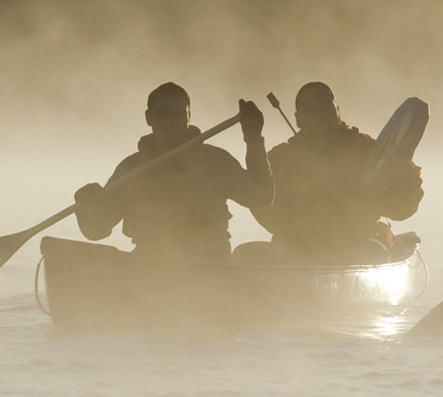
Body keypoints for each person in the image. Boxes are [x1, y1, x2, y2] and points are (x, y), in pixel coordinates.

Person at [73, 82, 272, 262]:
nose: (172, 121)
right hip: (148, 263)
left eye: (179, 113)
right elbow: (97, 230)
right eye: (164, 114)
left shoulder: (214, 161)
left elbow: (261, 196)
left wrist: (253, 138)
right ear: (148, 118)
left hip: (208, 262)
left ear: (189, 116)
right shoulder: (132, 168)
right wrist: (87, 205)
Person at [247, 82, 423, 263]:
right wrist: (252, 139)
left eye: (325, 108)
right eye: (311, 110)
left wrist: (392, 184)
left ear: (337, 110)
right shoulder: (281, 158)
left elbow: (405, 203)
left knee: (368, 252)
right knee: (245, 252)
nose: (319, 116)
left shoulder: (365, 149)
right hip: (296, 249)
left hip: (357, 244)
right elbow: (257, 195)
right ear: (298, 118)